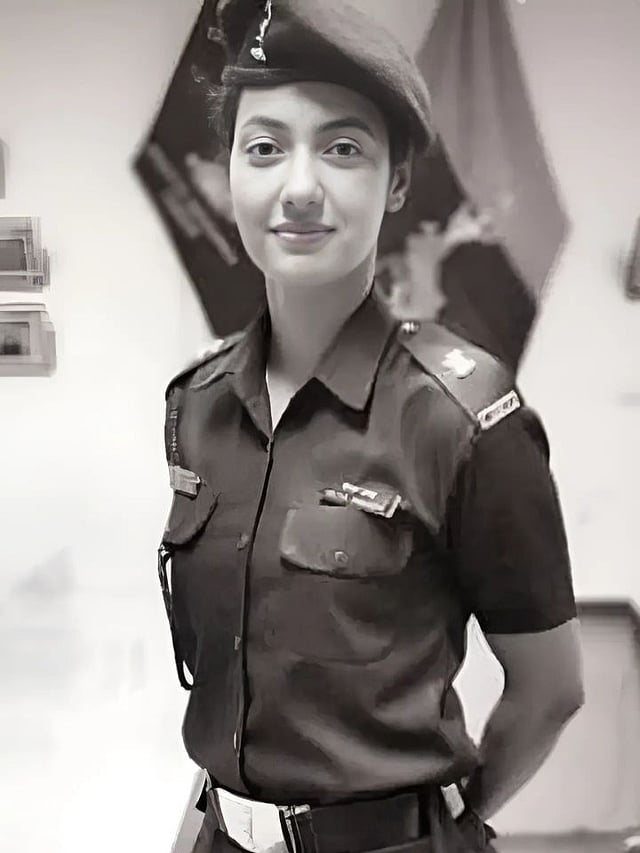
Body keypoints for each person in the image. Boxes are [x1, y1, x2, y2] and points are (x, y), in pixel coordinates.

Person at [157, 2, 584, 851]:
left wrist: (442, 826)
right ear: (230, 172)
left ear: (395, 183)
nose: (299, 187)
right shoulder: (197, 402)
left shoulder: (462, 419)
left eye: (343, 148)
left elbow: (550, 690)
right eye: (264, 147)